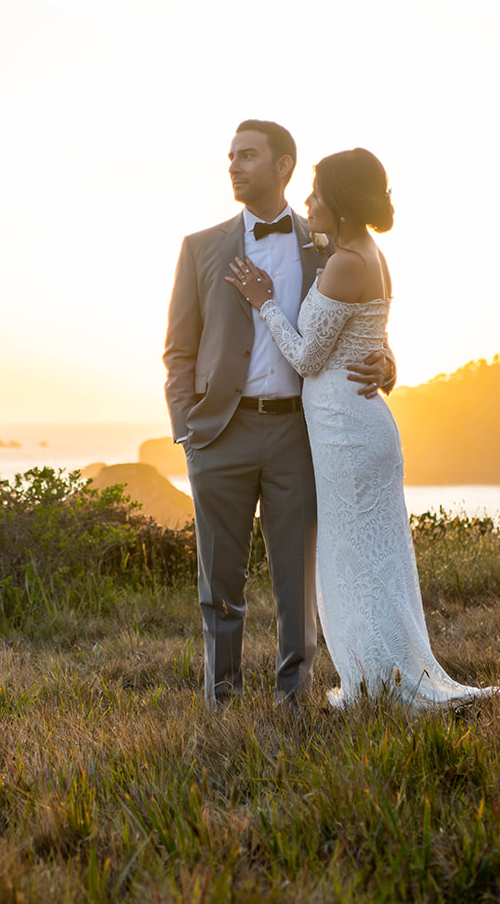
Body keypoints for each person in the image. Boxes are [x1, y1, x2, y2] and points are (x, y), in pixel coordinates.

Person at [227, 147, 500, 708]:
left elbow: (309, 358)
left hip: (347, 431)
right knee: (369, 563)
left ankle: (381, 684)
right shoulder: (365, 252)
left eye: (315, 193)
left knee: (352, 563)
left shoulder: (347, 262)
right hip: (358, 427)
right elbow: (368, 336)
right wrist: (388, 362)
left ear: (338, 202)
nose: (307, 202)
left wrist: (264, 302)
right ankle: (377, 677)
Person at [164, 120, 396, 708]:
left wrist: (387, 360)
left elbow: (362, 318)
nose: (234, 166)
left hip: (299, 432)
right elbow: (179, 349)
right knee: (219, 582)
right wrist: (187, 430)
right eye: (231, 157)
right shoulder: (200, 247)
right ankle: (223, 700)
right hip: (219, 432)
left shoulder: (326, 246)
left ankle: (293, 700)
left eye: (248, 156)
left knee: (297, 580)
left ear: (283, 166)